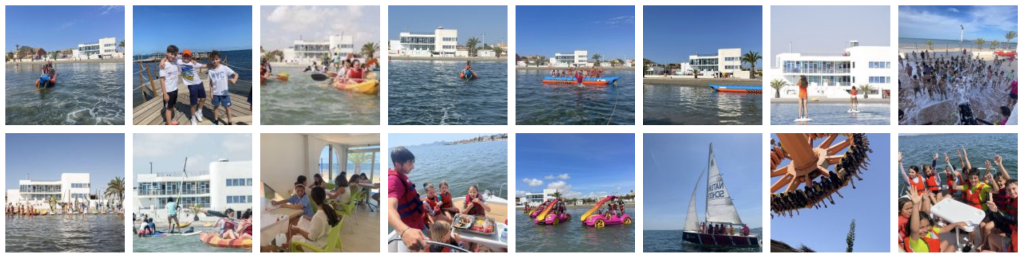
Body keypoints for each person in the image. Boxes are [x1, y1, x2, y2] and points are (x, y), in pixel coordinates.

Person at [387, 146, 428, 251]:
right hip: (410, 229)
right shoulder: (393, 181)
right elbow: (388, 207)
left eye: (413, 163)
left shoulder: (401, 175)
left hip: (417, 223)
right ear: (397, 165)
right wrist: (404, 231)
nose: (413, 167)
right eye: (409, 164)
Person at [287, 187, 341, 252]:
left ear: (312, 199)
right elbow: (323, 219)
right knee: (303, 221)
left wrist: (299, 230)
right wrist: (308, 218)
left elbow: (311, 238)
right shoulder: (329, 206)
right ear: (324, 196)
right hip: (328, 238)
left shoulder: (318, 217)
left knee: (292, 240)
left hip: (319, 246)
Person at [167, 50, 207, 125]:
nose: (186, 57)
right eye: (184, 55)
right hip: (191, 85)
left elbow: (204, 65)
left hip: (199, 82)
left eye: (188, 56)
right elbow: (169, 57)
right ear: (182, 56)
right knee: (194, 104)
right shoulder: (179, 61)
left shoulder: (193, 63)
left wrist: (216, 64)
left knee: (203, 98)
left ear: (190, 57)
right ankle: (193, 118)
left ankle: (199, 112)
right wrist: (162, 61)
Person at [207, 50, 238, 125]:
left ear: (220, 59)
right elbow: (211, 82)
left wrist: (234, 79)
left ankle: (229, 122)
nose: (215, 61)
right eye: (213, 59)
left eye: (216, 59)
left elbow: (236, 74)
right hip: (215, 93)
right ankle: (216, 120)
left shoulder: (224, 68)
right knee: (215, 107)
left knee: (227, 107)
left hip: (225, 93)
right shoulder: (210, 71)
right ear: (211, 60)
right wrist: (211, 92)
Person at [159, 45, 181, 125]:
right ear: (166, 53)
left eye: (174, 54)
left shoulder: (175, 61)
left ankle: (170, 120)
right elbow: (162, 80)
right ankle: (169, 123)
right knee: (168, 108)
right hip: (168, 91)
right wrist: (165, 94)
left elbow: (183, 57)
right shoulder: (163, 65)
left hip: (175, 88)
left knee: (172, 105)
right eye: (171, 54)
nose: (173, 56)